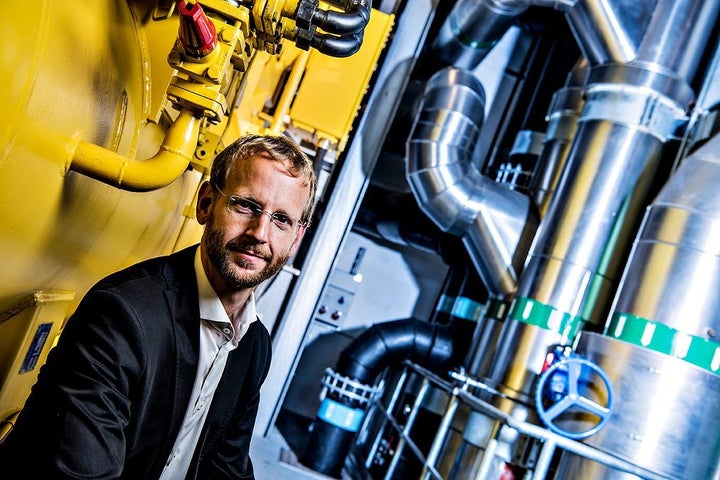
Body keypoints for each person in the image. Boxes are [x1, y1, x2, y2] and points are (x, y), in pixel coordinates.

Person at [0, 134, 317, 479]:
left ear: (296, 239)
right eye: (246, 206)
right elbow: (83, 474)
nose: (260, 233)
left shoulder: (254, 346)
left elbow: (226, 468)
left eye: (282, 220)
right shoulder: (123, 315)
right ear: (207, 203)